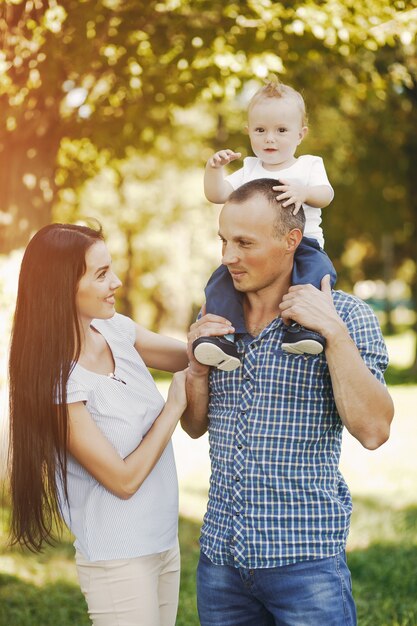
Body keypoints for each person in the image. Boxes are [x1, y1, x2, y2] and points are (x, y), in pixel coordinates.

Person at [181, 178, 394, 626]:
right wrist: (197, 372)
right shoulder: (216, 316)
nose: (227, 257)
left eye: (243, 243)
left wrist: (332, 334)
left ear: (290, 241)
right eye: (223, 241)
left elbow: (374, 430)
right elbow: (195, 426)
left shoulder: (347, 316)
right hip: (221, 560)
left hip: (305, 564)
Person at [8, 223, 189, 626]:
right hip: (117, 556)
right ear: (62, 286)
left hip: (162, 540)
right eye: (102, 274)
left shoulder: (114, 329)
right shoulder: (58, 382)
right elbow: (122, 481)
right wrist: (173, 407)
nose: (118, 282)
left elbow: (191, 358)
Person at [193, 78, 335, 371]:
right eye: (260, 130)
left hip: (304, 244)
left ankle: (303, 329)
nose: (270, 138)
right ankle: (223, 338)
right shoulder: (249, 169)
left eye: (281, 130)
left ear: (300, 134)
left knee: (315, 276)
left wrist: (304, 192)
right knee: (219, 282)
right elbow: (217, 194)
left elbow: (327, 195)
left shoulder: (308, 165)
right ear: (248, 132)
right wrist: (213, 170)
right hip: (256, 252)